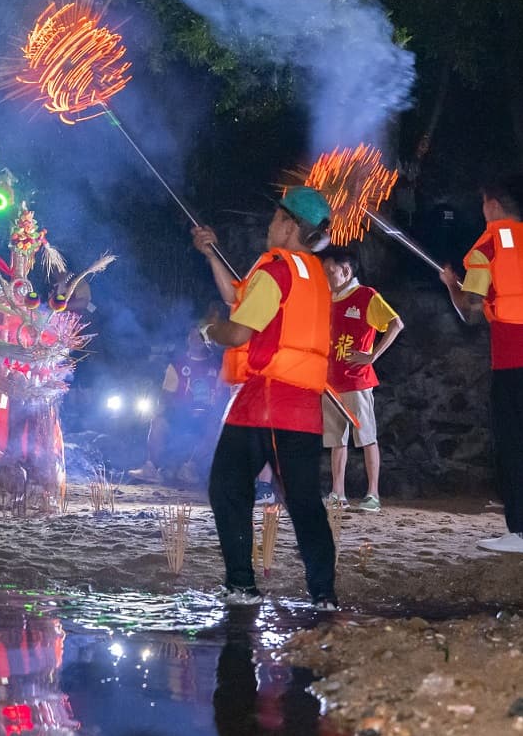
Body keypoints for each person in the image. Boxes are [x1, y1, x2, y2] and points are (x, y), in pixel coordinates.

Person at [193, 186, 338, 609]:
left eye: (276, 219)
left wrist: (208, 331)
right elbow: (242, 298)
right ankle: (324, 594)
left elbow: (238, 328)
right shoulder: (312, 274)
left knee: (227, 486)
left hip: (267, 400)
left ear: (290, 226)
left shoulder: (276, 271)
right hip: (303, 404)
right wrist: (211, 254)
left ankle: (242, 585)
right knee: (305, 500)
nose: (270, 225)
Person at [440, 175, 523, 553]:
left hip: (512, 361)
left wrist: (451, 286)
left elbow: (471, 312)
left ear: (492, 205)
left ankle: (520, 532)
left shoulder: (486, 247)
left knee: (513, 444)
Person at [319, 246, 404, 512]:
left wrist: (372, 356)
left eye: (330, 271)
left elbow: (395, 324)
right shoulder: (325, 299)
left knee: (367, 436)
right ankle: (338, 493)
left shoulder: (366, 296)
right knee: (336, 440)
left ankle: (373, 494)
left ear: (345, 270)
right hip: (330, 381)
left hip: (357, 380)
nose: (326, 277)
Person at [130, 325, 224, 485]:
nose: (196, 340)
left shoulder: (217, 365)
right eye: (192, 336)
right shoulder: (178, 365)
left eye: (200, 337)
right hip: (180, 414)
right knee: (158, 422)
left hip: (206, 416)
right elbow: (166, 395)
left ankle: (190, 468)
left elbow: (221, 395)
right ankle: (151, 467)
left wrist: (213, 412)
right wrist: (175, 410)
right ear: (187, 339)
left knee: (217, 425)